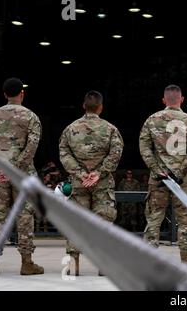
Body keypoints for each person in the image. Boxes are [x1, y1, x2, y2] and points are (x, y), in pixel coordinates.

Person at [59, 90, 123, 275]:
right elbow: (116, 153)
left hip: (79, 183)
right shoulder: (111, 129)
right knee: (103, 221)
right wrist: (99, 173)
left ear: (83, 106)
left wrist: (80, 174)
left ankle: (73, 264)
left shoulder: (70, 129)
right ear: (101, 107)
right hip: (102, 183)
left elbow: (64, 154)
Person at [139, 85, 187, 263]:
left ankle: (149, 262)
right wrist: (180, 171)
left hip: (158, 179)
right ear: (182, 100)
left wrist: (156, 168)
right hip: (183, 180)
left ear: (163, 100)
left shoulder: (151, 120)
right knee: (184, 222)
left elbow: (144, 148)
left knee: (154, 219)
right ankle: (185, 262)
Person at [0, 78, 44, 276]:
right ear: (22, 94)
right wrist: (16, 168)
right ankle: (27, 262)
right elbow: (32, 146)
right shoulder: (31, 117)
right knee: (24, 215)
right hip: (22, 175)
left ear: (4, 94)